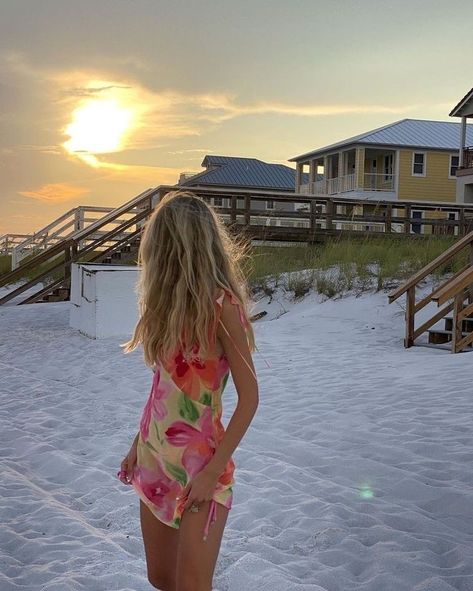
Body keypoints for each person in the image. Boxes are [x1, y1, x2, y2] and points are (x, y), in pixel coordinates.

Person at [118, 190, 259, 591]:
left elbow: (250, 399)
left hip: (203, 466)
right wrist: (135, 445)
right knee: (161, 578)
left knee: (193, 584)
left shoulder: (223, 308)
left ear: (178, 247)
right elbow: (162, 389)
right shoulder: (167, 307)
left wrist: (212, 472)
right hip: (154, 454)